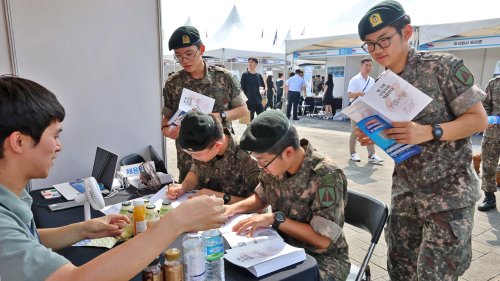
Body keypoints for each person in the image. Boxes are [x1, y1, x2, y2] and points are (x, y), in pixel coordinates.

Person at [0, 76, 227, 281]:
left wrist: (82, 230)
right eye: (55, 135)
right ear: (19, 142)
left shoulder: (12, 199)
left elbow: (27, 238)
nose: (59, 147)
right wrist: (175, 222)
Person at [356, 1, 488, 280]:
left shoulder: (443, 67)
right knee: (400, 272)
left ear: (406, 32)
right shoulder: (386, 82)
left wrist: (430, 131)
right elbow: (399, 136)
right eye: (370, 45)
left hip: (448, 197)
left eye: (383, 40)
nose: (378, 51)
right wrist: (376, 134)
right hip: (406, 196)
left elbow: (479, 120)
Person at [224, 110, 350, 281]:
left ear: (288, 152)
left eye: (262, 161)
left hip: (322, 259)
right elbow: (261, 197)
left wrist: (276, 219)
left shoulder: (326, 176)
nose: (261, 167)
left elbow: (322, 241)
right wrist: (230, 209)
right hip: (281, 245)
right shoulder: (274, 165)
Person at [162, 26, 248, 182]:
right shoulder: (173, 84)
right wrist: (168, 131)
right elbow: (166, 119)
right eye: (178, 56)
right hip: (189, 160)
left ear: (201, 49)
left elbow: (243, 110)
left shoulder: (224, 78)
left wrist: (220, 116)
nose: (184, 60)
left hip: (223, 159)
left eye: (189, 54)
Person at [167, 111, 260, 204]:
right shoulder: (204, 147)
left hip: (239, 216)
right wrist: (183, 187)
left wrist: (223, 198)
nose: (193, 158)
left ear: (217, 146)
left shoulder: (249, 158)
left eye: (197, 155)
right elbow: (196, 171)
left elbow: (260, 203)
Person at [347, 58, 384, 163]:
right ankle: (353, 153)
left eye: (370, 66)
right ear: (361, 66)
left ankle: (371, 155)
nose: (368, 68)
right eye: (366, 65)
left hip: (368, 109)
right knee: (355, 132)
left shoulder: (371, 80)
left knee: (370, 131)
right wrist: (359, 93)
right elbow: (349, 94)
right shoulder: (354, 79)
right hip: (356, 108)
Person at [477, 75, 500, 211]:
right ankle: (489, 198)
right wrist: (487, 119)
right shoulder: (494, 83)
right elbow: (484, 106)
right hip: (492, 134)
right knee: (488, 167)